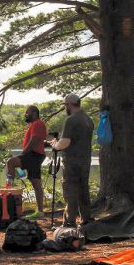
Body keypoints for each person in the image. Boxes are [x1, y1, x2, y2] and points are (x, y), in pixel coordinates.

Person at [50, 94, 95, 227]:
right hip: (85, 160)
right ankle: (86, 219)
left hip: (72, 161)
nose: (65, 108)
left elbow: (65, 142)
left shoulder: (71, 120)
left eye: (65, 105)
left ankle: (70, 221)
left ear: (69, 104)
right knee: (83, 190)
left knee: (71, 191)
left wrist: (55, 145)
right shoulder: (88, 120)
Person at [5, 105, 48, 219]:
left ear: (34, 113)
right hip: (35, 155)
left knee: (11, 162)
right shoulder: (34, 124)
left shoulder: (37, 124)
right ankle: (40, 211)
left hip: (34, 155)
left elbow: (35, 140)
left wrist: (23, 153)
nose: (25, 115)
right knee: (36, 182)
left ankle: (10, 191)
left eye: (27, 112)